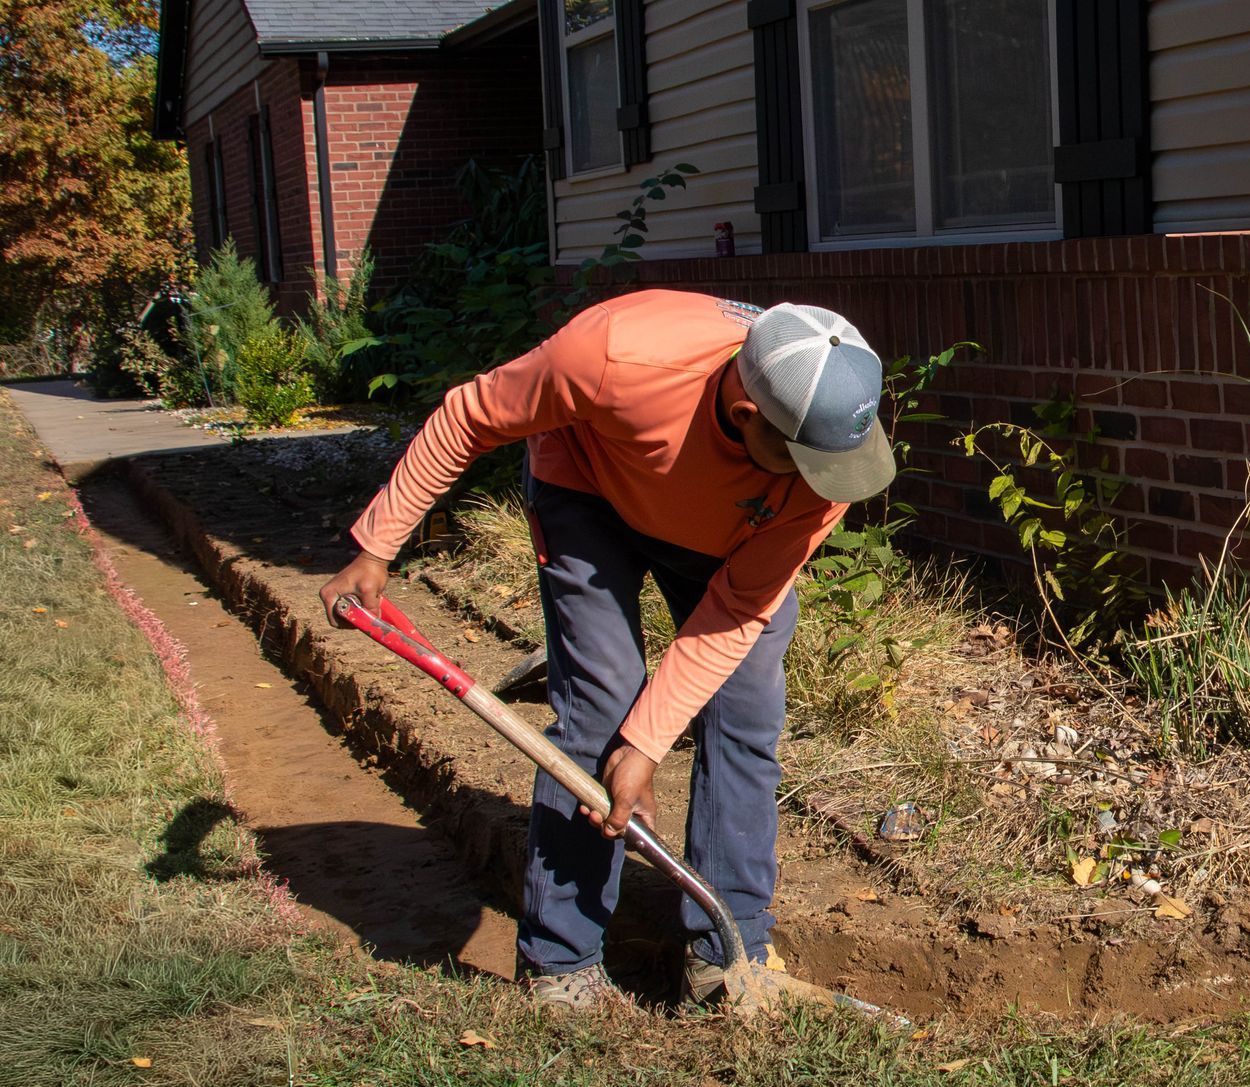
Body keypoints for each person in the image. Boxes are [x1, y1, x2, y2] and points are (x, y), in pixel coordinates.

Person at [319, 291, 891, 1010]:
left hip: (730, 538)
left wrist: (647, 747)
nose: (822, 482)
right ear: (748, 415)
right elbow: (471, 415)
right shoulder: (618, 354)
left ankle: (728, 956)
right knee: (601, 707)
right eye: (801, 460)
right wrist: (378, 545)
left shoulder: (824, 459)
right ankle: (561, 963)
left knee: (746, 711)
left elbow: (737, 612)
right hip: (588, 491)